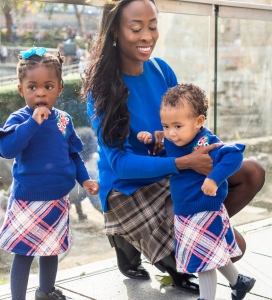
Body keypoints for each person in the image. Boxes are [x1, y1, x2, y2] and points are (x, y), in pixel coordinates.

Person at [81, 0, 265, 295]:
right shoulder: (102, 87)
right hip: (128, 187)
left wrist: (206, 151)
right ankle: (138, 242)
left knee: (252, 172)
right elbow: (119, 163)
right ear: (115, 30)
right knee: (234, 250)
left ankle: (192, 239)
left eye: (152, 26)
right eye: (136, 28)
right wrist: (184, 163)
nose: (147, 36)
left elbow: (190, 126)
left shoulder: (162, 70)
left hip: (175, 175)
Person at [0, 47, 99, 300]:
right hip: (28, 200)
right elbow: (7, 149)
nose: (40, 92)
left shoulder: (63, 121)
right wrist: (31, 123)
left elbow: (73, 155)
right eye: (32, 87)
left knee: (51, 249)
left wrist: (84, 179)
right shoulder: (19, 118)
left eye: (48, 86)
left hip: (57, 199)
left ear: (59, 88)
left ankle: (46, 292)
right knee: (24, 253)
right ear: (21, 90)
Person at [137, 83, 256, 300]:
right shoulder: (175, 140)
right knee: (212, 254)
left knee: (203, 262)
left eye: (177, 126)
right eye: (165, 126)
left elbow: (234, 154)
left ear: (199, 121)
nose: (171, 133)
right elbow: (167, 156)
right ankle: (239, 282)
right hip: (185, 211)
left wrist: (214, 177)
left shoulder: (205, 141)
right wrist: (151, 141)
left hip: (204, 210)